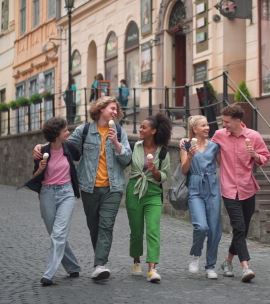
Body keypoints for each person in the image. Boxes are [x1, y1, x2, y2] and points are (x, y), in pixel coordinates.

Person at [33, 96, 132, 281]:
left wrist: (117, 143)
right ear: (101, 109)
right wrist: (40, 146)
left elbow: (127, 160)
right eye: (112, 108)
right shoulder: (84, 130)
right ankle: (97, 262)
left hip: (114, 187)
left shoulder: (119, 131)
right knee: (94, 227)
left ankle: (99, 264)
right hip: (89, 187)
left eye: (116, 109)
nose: (115, 112)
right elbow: (62, 144)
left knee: (106, 226)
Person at [181, 103, 270, 283]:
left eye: (227, 122)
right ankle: (245, 267)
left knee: (240, 230)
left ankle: (227, 261)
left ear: (238, 121)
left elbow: (265, 158)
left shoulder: (254, 136)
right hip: (228, 189)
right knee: (236, 227)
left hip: (247, 188)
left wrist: (254, 155)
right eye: (223, 122)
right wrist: (186, 142)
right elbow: (202, 147)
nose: (223, 125)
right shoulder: (220, 136)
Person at [23, 117, 81, 286]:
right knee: (56, 234)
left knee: (58, 233)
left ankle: (49, 274)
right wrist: (40, 168)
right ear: (56, 134)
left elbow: (84, 151)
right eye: (65, 131)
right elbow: (35, 175)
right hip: (47, 194)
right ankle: (73, 266)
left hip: (66, 193)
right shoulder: (41, 151)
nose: (68, 133)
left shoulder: (69, 147)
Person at [126, 113, 172, 283]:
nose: (140, 129)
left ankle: (152, 268)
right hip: (135, 192)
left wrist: (154, 171)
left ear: (153, 131)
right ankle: (136, 261)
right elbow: (123, 161)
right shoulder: (134, 147)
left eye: (144, 127)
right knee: (137, 231)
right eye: (140, 127)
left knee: (153, 230)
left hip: (153, 193)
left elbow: (165, 175)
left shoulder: (163, 152)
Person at [180, 115, 221, 279]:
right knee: (201, 226)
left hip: (212, 187)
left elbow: (223, 164)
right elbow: (184, 170)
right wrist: (190, 156)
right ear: (194, 129)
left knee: (214, 230)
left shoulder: (215, 146)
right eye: (203, 125)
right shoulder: (186, 145)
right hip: (195, 188)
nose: (207, 128)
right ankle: (195, 255)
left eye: (207, 125)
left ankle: (210, 266)